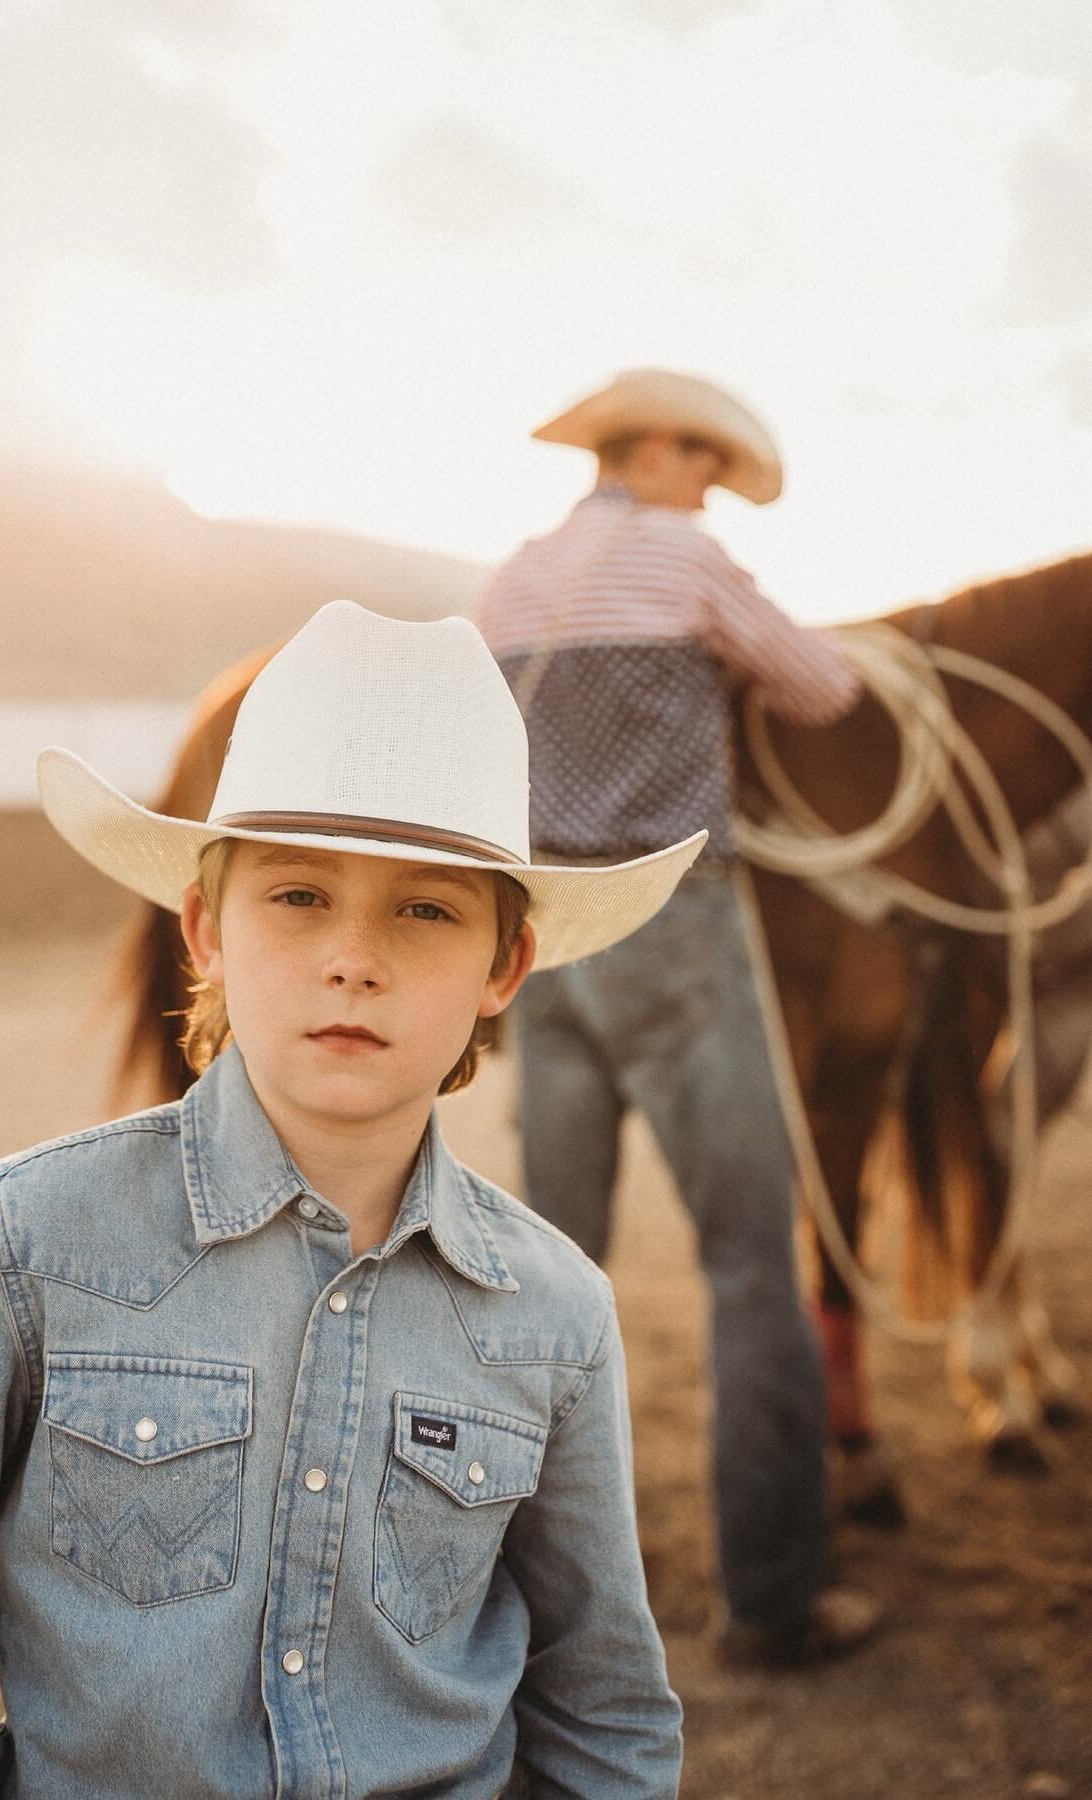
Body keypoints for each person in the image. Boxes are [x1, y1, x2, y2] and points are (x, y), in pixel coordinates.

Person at [0, 601, 703, 1799]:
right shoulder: (32, 1240)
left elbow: (604, 1699)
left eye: (425, 910)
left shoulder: (554, 1314)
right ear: (207, 929)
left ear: (503, 968)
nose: (353, 957)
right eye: (298, 897)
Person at [477, 368, 877, 1668]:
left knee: (545, 1273)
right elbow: (823, 689)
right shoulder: (685, 559)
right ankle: (772, 1602)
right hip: (675, 923)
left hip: (546, 938)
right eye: (699, 456)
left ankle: (502, 1594)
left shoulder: (516, 574)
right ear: (646, 451)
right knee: (749, 1264)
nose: (708, 482)